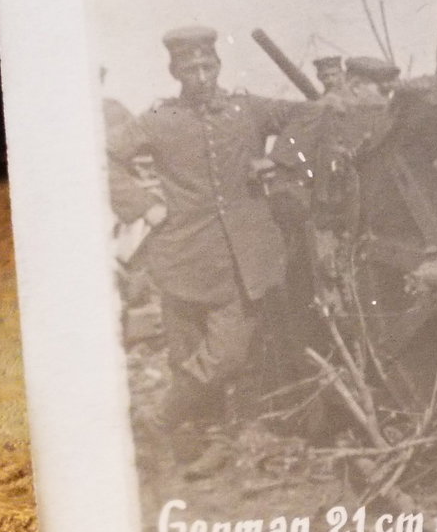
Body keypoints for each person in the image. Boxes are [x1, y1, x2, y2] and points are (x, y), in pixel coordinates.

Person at [106, 26, 301, 445]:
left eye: (206, 65)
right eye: (189, 67)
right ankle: (206, 442)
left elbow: (309, 115)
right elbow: (108, 157)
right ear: (175, 71)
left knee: (229, 350)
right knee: (186, 351)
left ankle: (162, 417)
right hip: (184, 253)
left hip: (247, 254)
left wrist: (280, 159)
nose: (200, 74)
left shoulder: (246, 110)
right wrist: (145, 207)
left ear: (218, 65)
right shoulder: (159, 120)